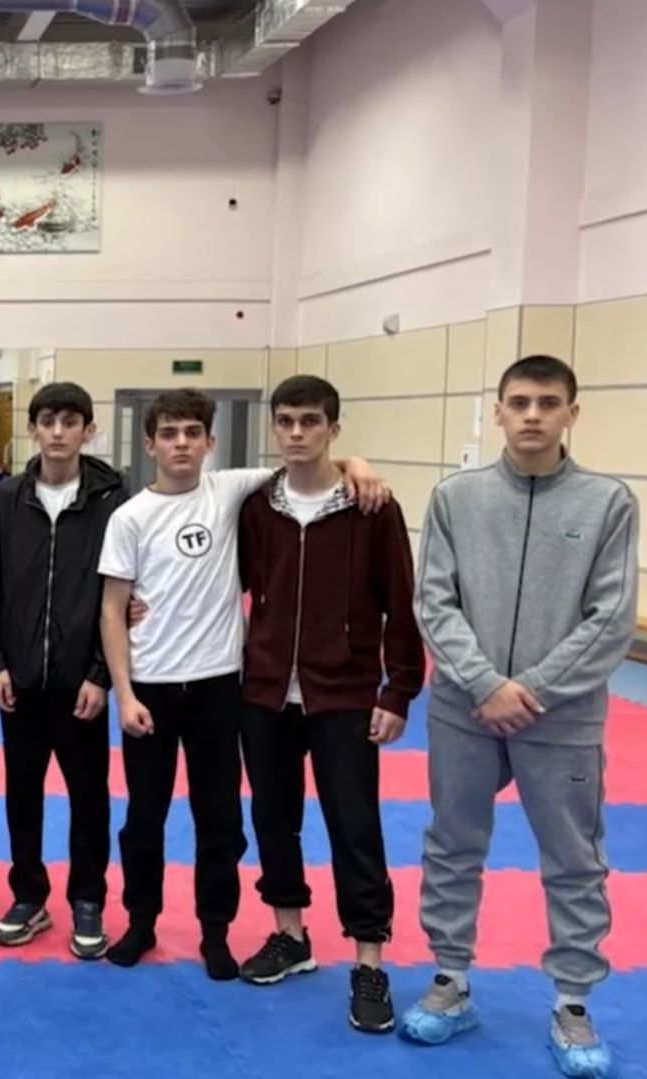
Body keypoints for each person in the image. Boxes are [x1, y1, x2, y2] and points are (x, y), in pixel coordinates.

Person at [403, 355, 637, 1079]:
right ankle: (450, 979)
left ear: (572, 413)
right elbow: (432, 600)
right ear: (499, 411)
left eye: (548, 402)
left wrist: (529, 688)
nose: (533, 414)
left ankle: (573, 1001)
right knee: (452, 844)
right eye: (520, 402)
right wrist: (483, 683)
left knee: (574, 860)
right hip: (463, 708)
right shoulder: (457, 498)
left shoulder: (608, 502)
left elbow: (611, 616)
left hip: (561, 716)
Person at [98, 389, 384, 980]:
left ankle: (215, 930)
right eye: (168, 434)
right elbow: (111, 609)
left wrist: (358, 464)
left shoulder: (231, 490)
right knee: (144, 817)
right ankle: (141, 921)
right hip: (150, 686)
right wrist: (123, 693)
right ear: (149, 444)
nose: (181, 444)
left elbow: (308, 462)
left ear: (210, 441)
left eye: (191, 433)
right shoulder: (130, 517)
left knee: (220, 820)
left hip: (220, 686)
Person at [232, 375, 424, 1034]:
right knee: (273, 817)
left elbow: (401, 602)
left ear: (333, 429)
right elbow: (232, 582)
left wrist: (399, 689)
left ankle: (369, 959)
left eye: (310, 421)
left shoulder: (372, 508)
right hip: (264, 691)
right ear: (273, 427)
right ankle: (291, 933)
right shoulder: (257, 507)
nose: (296, 432)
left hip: (344, 692)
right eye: (285, 420)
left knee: (354, 824)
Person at [0, 381, 127, 956]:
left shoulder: (115, 499)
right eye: (48, 422)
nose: (58, 433)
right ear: (33, 429)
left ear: (88, 430)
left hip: (82, 680)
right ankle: (29, 895)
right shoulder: (5, 498)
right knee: (22, 793)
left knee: (89, 795)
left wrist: (101, 675)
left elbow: (126, 591)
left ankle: (87, 898)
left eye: (70, 422)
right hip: (18, 678)